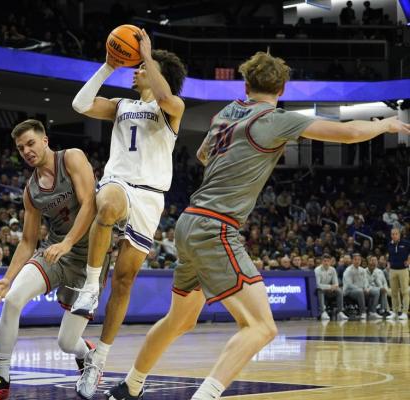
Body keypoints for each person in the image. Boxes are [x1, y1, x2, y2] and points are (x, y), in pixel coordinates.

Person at [104, 51, 410, 400]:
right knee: (262, 327)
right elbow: (350, 132)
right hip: (215, 227)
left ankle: (129, 386)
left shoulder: (225, 112)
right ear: (282, 89)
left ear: (246, 85)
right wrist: (385, 125)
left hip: (189, 223)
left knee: (181, 320)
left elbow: (204, 154)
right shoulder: (275, 119)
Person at [70, 29, 187, 398]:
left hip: (151, 198)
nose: (135, 70)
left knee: (123, 282)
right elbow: (80, 104)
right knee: (106, 204)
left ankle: (99, 359)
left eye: (141, 67)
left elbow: (166, 94)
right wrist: (107, 65)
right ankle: (90, 288)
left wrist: (149, 56)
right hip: (119, 183)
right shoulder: (121, 104)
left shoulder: (173, 108)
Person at [0, 119, 101, 400]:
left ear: (45, 140)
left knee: (67, 342)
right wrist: (8, 279)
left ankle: (87, 353)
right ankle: (1, 379)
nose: (27, 151)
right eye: (21, 148)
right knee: (13, 300)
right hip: (54, 252)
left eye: (31, 143)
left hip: (88, 258)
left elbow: (89, 204)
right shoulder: (30, 192)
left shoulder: (71, 157)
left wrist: (68, 242)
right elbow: (28, 241)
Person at [343, 253, 380, 320]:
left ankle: (372, 312)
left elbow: (366, 281)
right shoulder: (348, 270)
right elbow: (349, 284)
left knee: (376, 291)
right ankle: (363, 312)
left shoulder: (362, 270)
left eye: (359, 260)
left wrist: (366, 288)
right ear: (352, 260)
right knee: (360, 291)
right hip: (349, 291)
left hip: (361, 289)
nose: (357, 261)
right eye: (355, 259)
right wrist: (361, 289)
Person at [315, 254, 348, 321]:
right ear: (322, 262)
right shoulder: (317, 270)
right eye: (324, 261)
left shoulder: (333, 269)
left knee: (339, 290)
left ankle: (340, 312)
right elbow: (317, 285)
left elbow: (336, 284)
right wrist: (329, 287)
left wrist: (332, 287)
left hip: (330, 290)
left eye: (328, 261)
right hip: (320, 290)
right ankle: (323, 312)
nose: (326, 263)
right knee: (319, 290)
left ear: (330, 262)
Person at [387, 228, 410, 320]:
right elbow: (389, 256)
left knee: (404, 292)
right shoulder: (389, 244)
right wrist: (388, 264)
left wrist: (409, 260)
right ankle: (395, 312)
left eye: (396, 234)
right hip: (392, 270)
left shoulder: (406, 243)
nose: (394, 235)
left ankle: (404, 312)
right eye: (392, 234)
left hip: (403, 270)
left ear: (399, 235)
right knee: (394, 293)